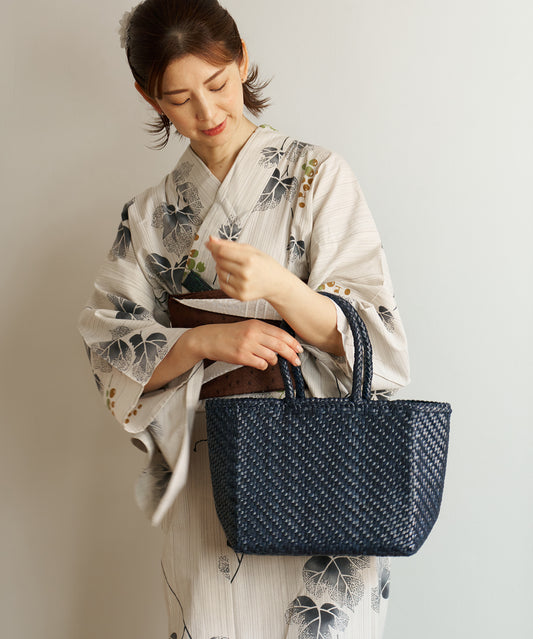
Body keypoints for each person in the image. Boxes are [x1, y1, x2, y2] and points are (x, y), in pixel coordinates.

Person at [78, 1, 410, 637]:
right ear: (149, 97)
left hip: (325, 470)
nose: (206, 112)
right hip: (215, 480)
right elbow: (108, 349)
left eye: (218, 84)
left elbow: (381, 341)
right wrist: (204, 340)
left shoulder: (319, 176)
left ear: (242, 60)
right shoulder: (148, 216)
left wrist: (281, 288)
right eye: (179, 99)